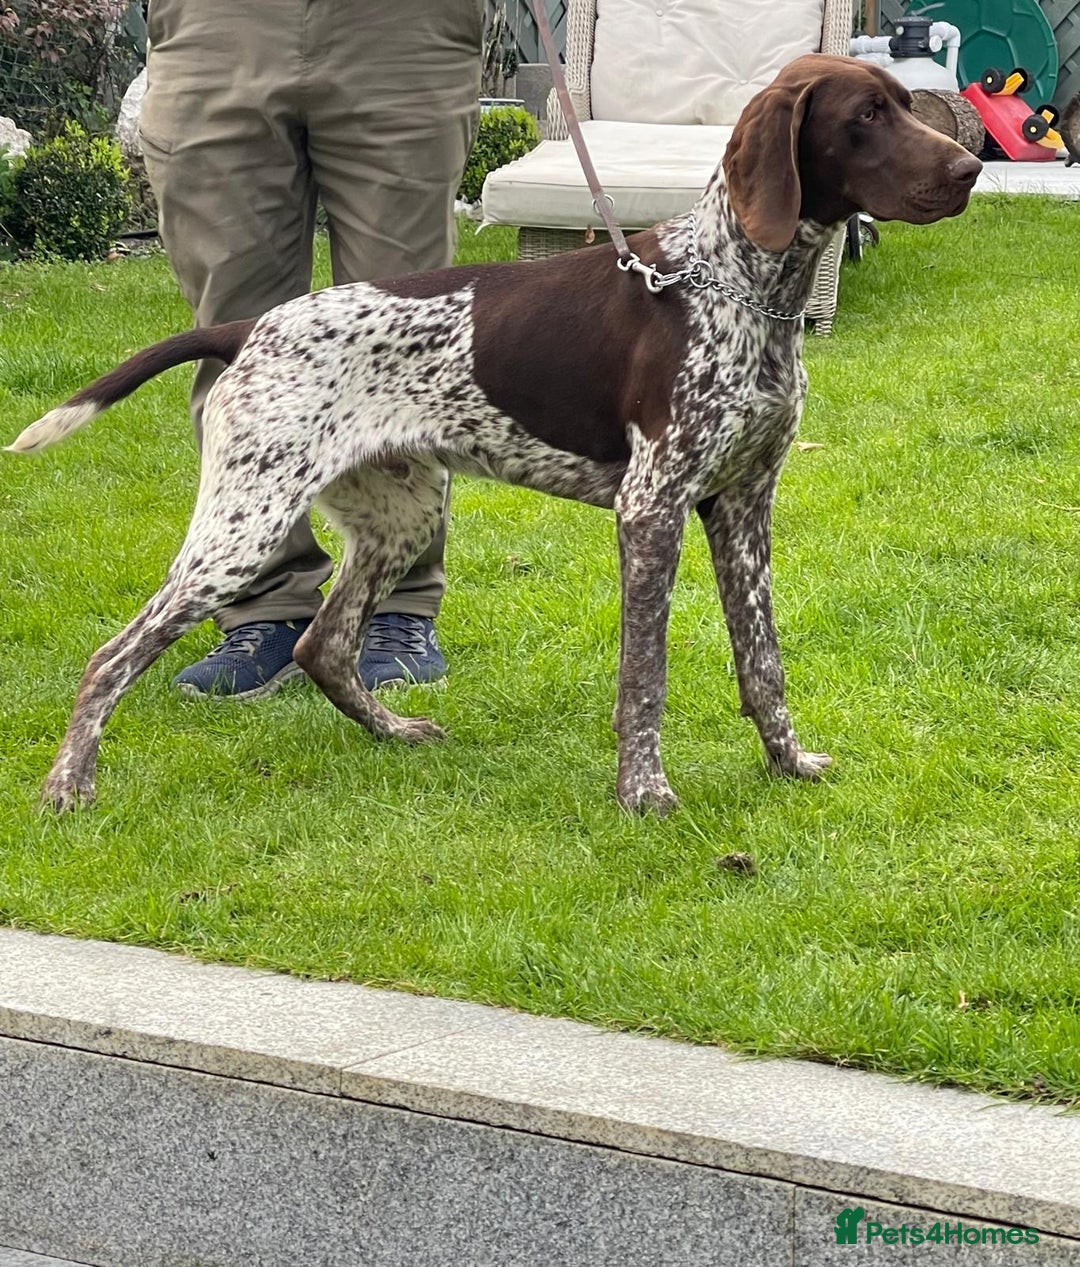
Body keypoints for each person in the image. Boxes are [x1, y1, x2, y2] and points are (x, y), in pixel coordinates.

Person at [139, 0, 483, 698]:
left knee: (403, 341)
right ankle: (264, 600)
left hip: (397, 30)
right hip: (219, 25)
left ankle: (393, 601)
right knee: (242, 343)